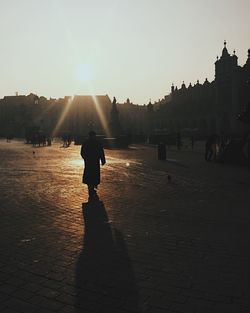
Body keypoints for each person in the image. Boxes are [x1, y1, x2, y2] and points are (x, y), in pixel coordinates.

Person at [81, 131, 106, 198]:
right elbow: (101, 152)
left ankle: (90, 188)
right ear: (95, 135)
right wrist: (103, 160)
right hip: (95, 161)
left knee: (89, 175)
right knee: (95, 174)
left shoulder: (85, 143)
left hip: (89, 162)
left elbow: (82, 152)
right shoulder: (97, 143)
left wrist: (85, 158)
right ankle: (94, 186)